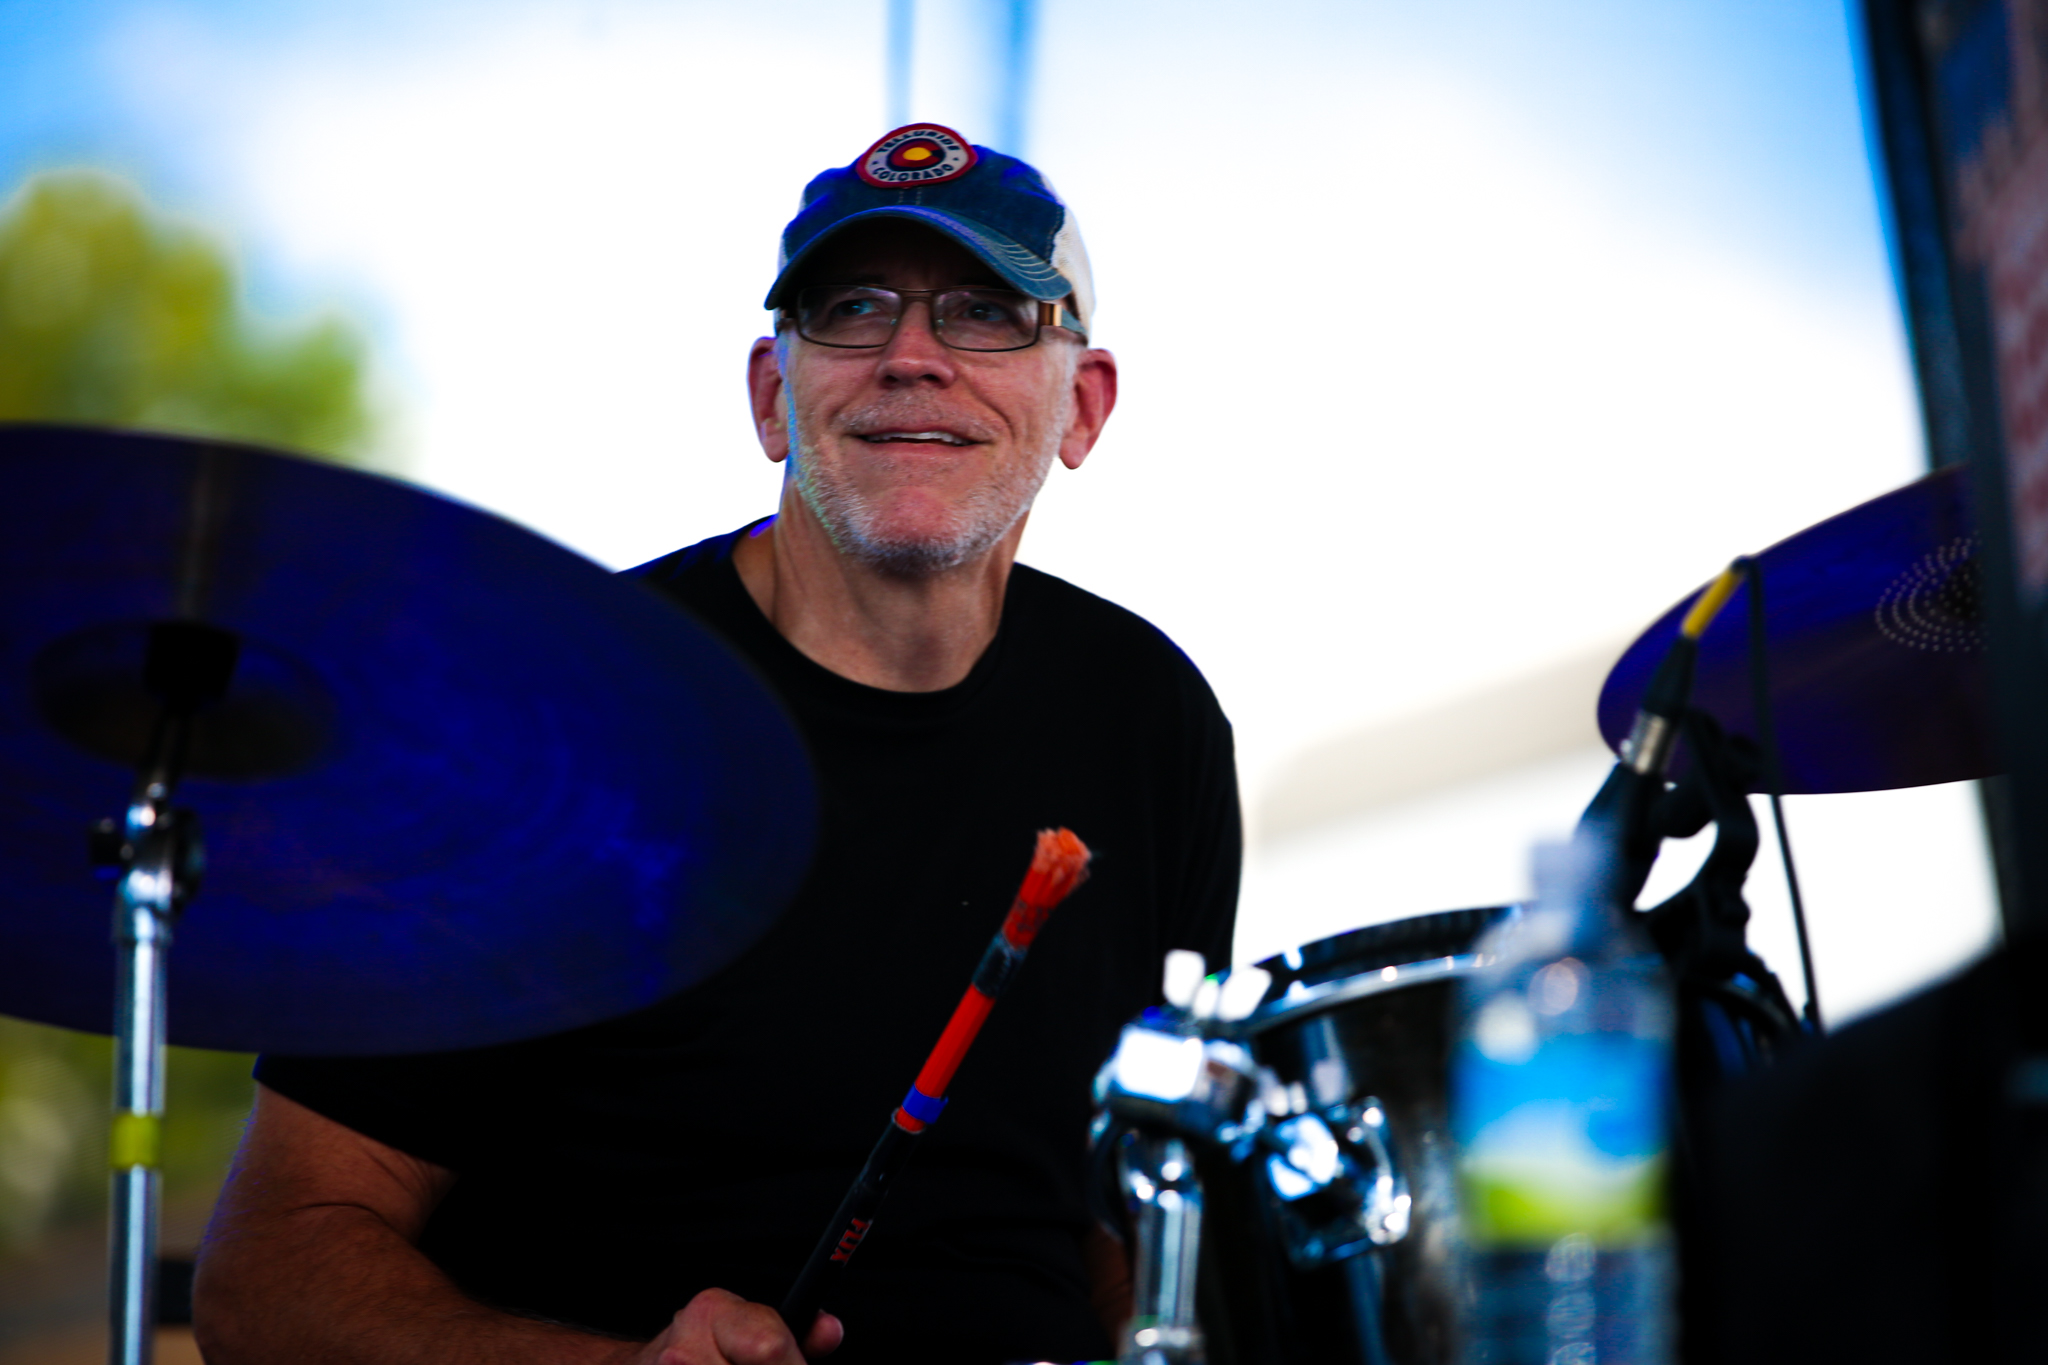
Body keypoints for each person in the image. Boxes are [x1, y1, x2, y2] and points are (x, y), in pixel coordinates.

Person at [191, 124, 1241, 1365]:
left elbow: (1129, 1229)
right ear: (768, 396)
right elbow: (265, 1276)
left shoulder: (1148, 713)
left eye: (986, 312)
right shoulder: (547, 715)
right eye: (850, 309)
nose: (912, 356)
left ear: (1083, 403)